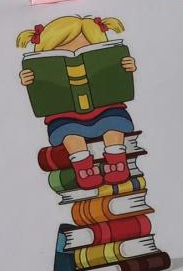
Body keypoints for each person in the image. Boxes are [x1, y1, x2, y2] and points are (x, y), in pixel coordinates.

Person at [17, 16, 137, 190]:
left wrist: (126, 67)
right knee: (70, 133)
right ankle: (83, 168)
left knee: (113, 125)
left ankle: (117, 161)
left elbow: (118, 81)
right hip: (66, 116)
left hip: (105, 109)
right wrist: (29, 80)